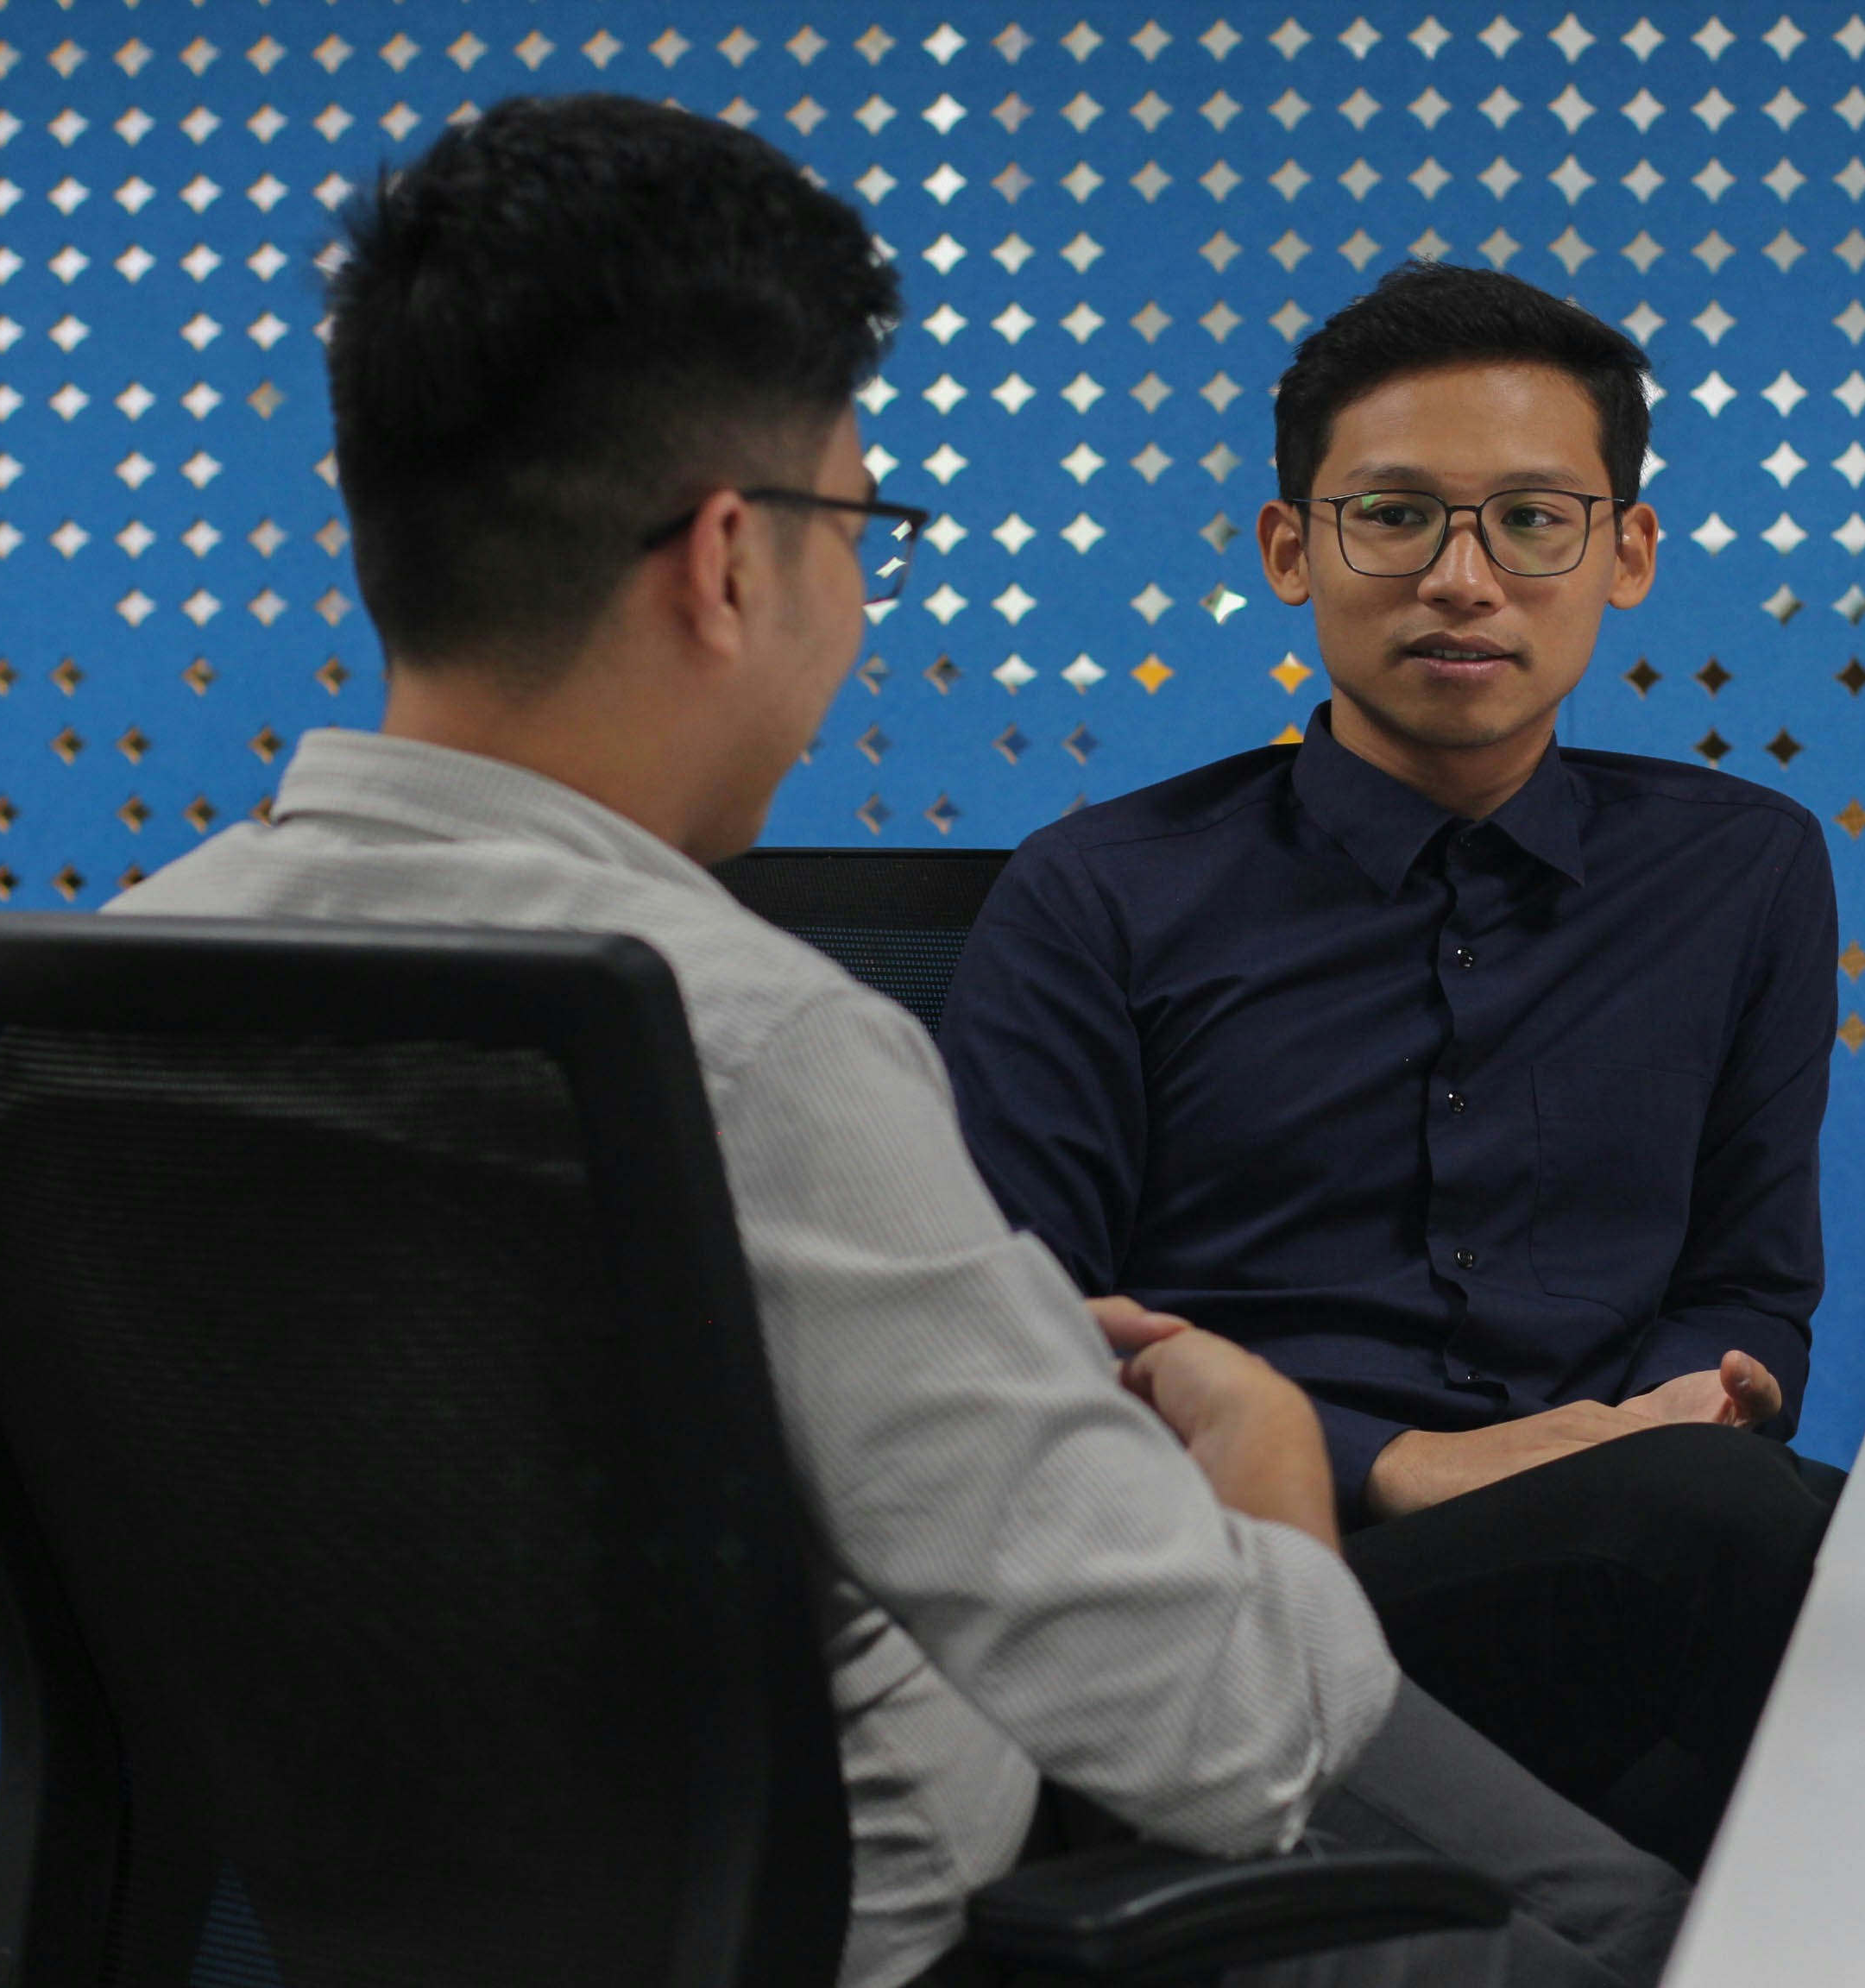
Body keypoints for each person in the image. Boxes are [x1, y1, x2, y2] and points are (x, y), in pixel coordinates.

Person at [107, 97, 1682, 1988]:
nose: (859, 595)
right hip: (892, 1942)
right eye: (862, 526)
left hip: (383, 1935)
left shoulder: (115, 997)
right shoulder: (747, 1044)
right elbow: (1235, 1741)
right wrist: (1266, 1466)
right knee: (1642, 1927)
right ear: (728, 562)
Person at [942, 262, 1841, 1878]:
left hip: (1632, 1543)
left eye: (1533, 520)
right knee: (1726, 1541)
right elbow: (1013, 1366)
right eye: (1396, 516)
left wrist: (1713, 1387)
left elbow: (1753, 1279)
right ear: (1296, 548)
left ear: (1624, 552)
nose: (1463, 578)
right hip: (1259, 1591)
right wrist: (1397, 1460)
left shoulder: (1743, 872)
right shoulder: (1098, 895)